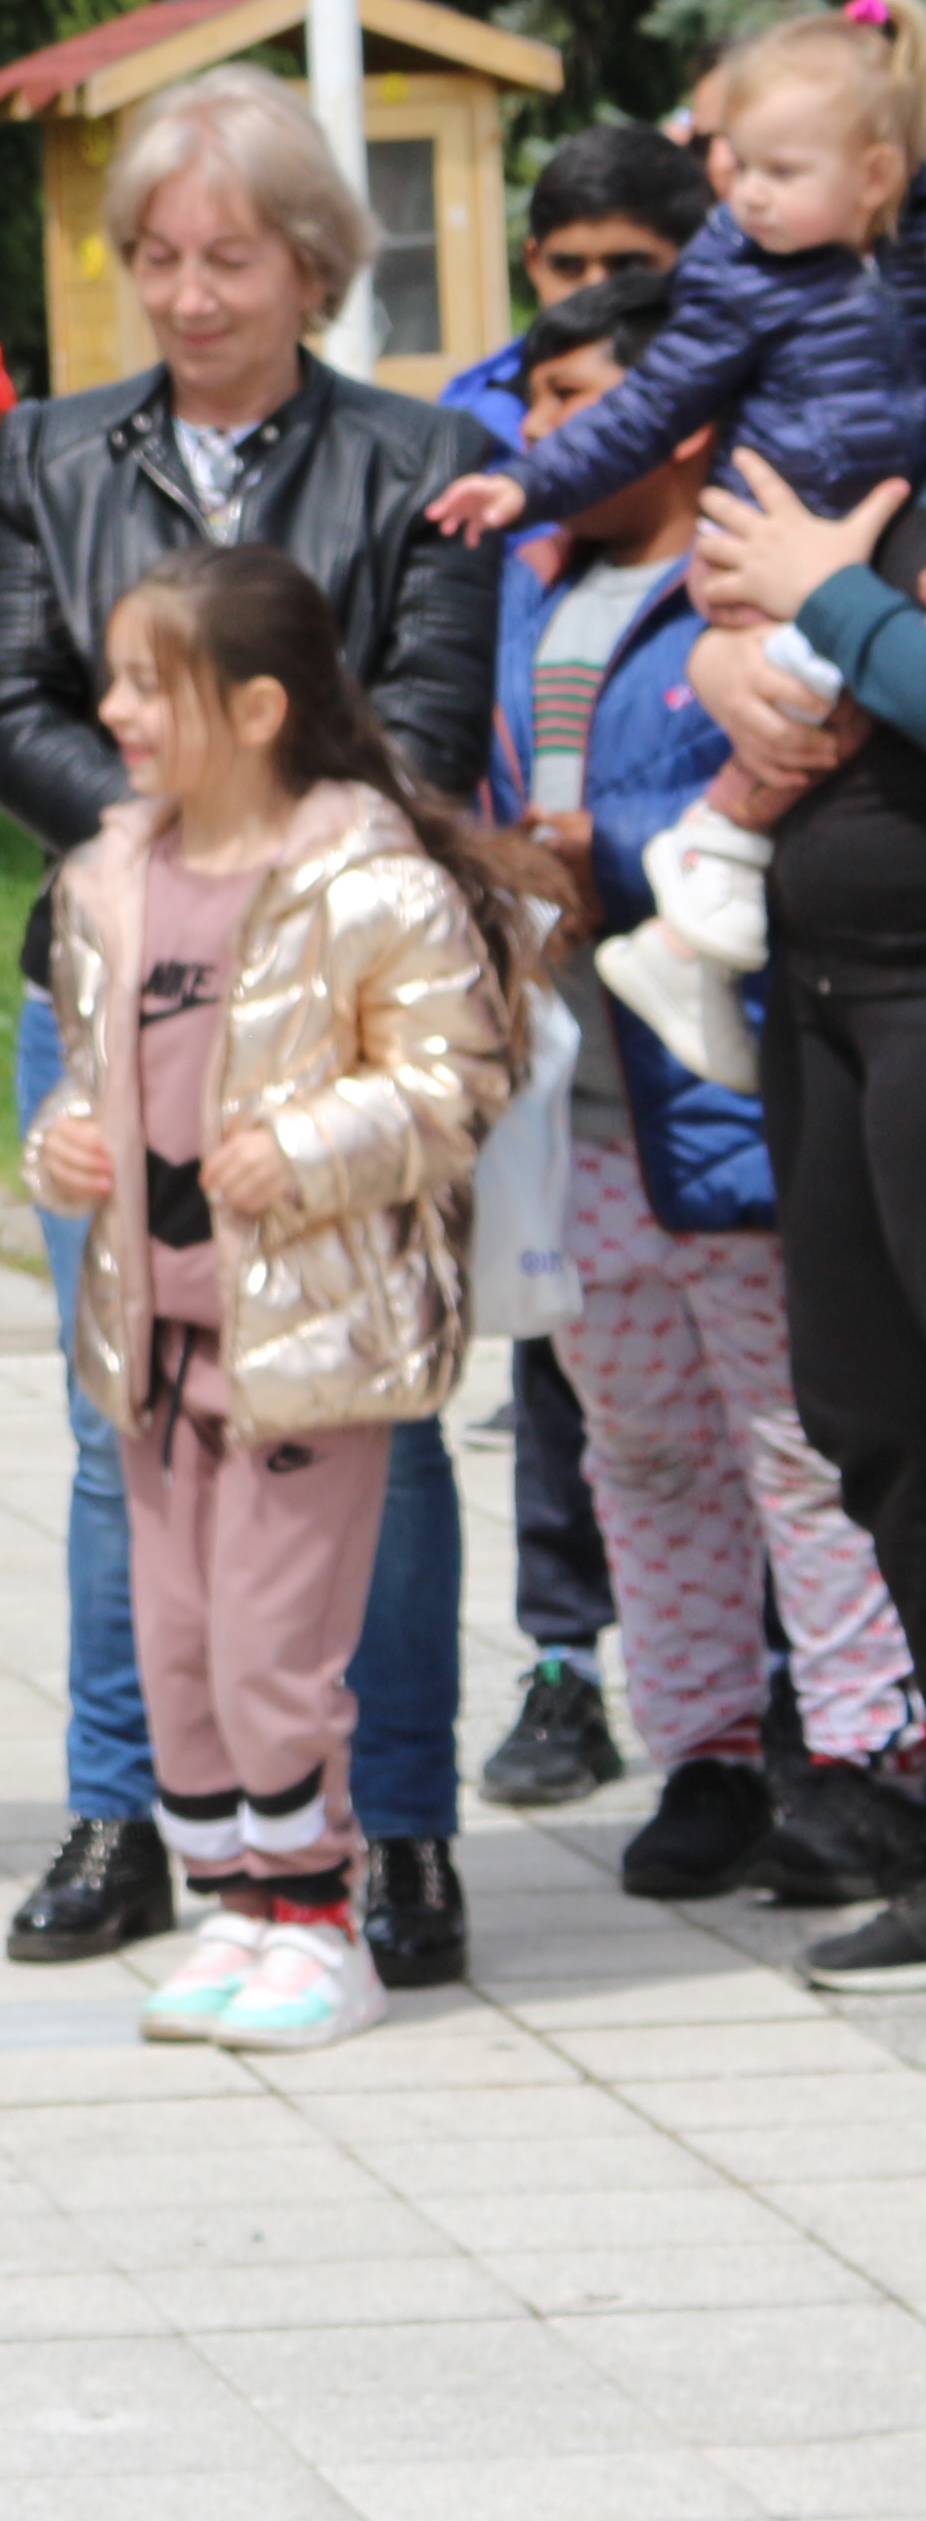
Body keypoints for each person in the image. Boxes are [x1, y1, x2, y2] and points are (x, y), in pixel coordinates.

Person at [0, 64, 502, 1981]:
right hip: (116, 986)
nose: (188, 297)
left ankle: (396, 1828)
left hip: (329, 1005)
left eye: (230, 260)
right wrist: (156, 840)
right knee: (123, 1409)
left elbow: (423, 720)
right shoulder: (47, 455)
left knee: (365, 1416)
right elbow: (5, 708)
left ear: (311, 268)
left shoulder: (416, 458)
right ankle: (129, 1810)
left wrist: (257, 854)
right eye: (158, 261)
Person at [29, 546, 524, 2054]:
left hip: (309, 1344)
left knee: (270, 1645)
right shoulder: (110, 880)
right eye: (113, 681)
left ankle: (323, 1924)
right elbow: (96, 1074)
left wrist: (306, 1149)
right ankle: (237, 1907)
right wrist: (64, 1146)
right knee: (177, 1644)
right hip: (155, 1339)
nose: (114, 712)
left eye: (147, 684)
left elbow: (455, 1083)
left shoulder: (368, 884)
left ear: (255, 709)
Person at [491, 275, 926, 1909]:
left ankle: (864, 1751)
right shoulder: (534, 582)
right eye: (532, 402)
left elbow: (791, 762)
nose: (540, 435)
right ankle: (703, 1751)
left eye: (574, 400)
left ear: (677, 424)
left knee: (800, 1445)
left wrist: (599, 856)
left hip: (723, 1104)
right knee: (643, 1451)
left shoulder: (747, 584)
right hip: (582, 1109)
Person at [438, 15, 926, 1078]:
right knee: (805, 699)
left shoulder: (897, 253)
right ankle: (705, 877)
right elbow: (642, 408)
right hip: (777, 538)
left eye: (780, 171)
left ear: (875, 177)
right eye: (735, 166)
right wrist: (529, 485)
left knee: (821, 702)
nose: (746, 195)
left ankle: (697, 904)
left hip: (849, 544)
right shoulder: (739, 277)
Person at [444, 128, 713, 1816]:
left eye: (629, 267)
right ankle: (569, 1659)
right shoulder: (498, 460)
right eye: (565, 267)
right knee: (568, 1356)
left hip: (704, 1017)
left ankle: (800, 1722)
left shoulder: (747, 477)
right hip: (555, 1023)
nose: (593, 290)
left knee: (759, 1401)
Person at [690, 443, 926, 1990]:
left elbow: (838, 605)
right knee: (875, 1425)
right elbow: (728, 600)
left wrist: (827, 600)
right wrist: (731, 661)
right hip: (828, 997)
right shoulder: (880, 435)